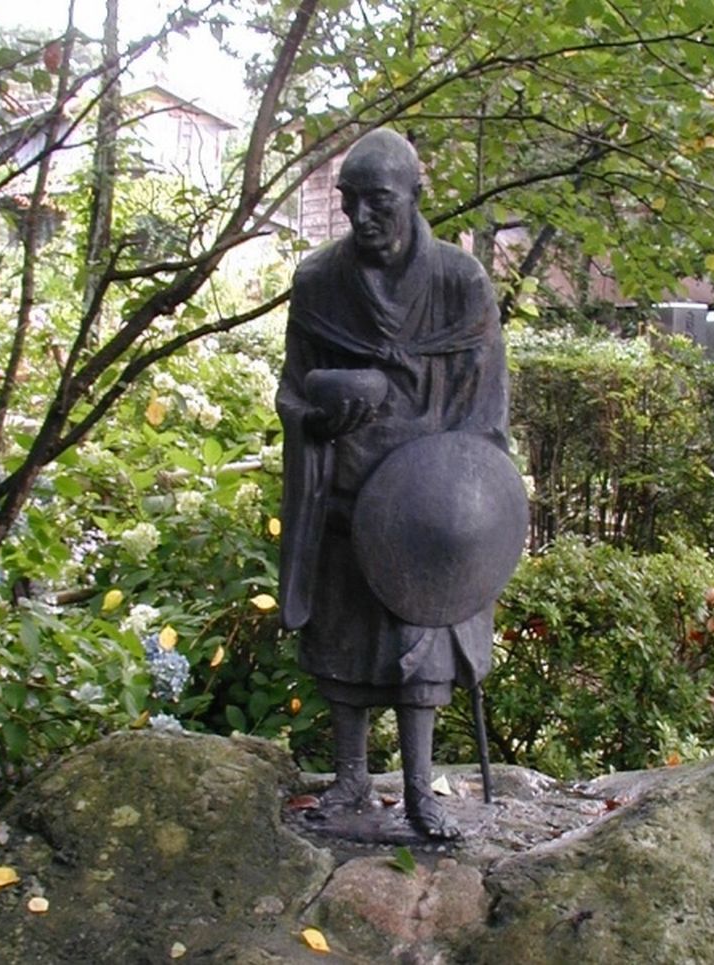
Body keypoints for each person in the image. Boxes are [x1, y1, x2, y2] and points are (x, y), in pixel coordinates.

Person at [276, 128, 510, 838]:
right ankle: (350, 777)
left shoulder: (460, 283)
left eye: (378, 201)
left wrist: (452, 492)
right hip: (345, 489)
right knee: (344, 641)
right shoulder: (319, 283)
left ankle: (418, 790)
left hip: (425, 504)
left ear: (414, 195)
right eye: (349, 201)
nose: (361, 217)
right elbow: (291, 393)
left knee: (420, 645)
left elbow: (485, 410)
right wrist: (320, 412)